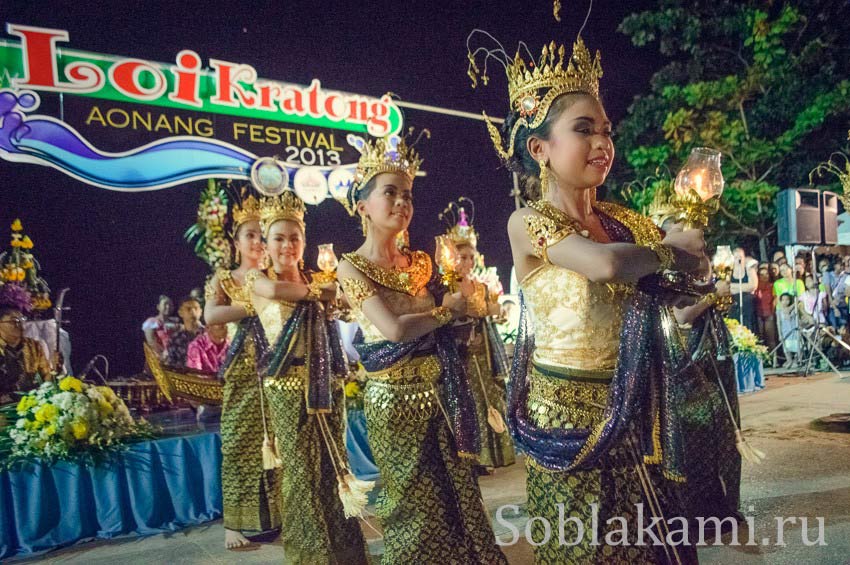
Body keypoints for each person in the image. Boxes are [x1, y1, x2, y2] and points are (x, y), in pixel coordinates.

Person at [468, 33, 705, 563]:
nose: (603, 143)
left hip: (641, 413)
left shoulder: (624, 220)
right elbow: (606, 265)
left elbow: (672, 295)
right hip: (565, 420)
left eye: (605, 131)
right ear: (539, 149)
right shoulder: (529, 222)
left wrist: (693, 290)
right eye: (584, 130)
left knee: (646, 542)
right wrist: (673, 251)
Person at [337, 134, 507, 563]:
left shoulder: (423, 263)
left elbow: (448, 322)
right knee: (410, 499)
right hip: (391, 400)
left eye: (407, 194)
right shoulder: (351, 265)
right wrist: (446, 313)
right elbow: (394, 329)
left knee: (456, 491)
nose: (401, 202)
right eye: (389, 193)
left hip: (440, 391)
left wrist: (469, 311)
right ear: (363, 206)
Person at [244, 191, 368, 564]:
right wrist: (321, 293)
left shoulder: (320, 278)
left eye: (294, 237)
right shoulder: (258, 278)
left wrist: (338, 300)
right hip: (286, 387)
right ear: (266, 243)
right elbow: (275, 291)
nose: (287, 245)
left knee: (335, 467)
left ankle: (345, 553)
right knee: (301, 474)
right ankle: (311, 557)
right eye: (279, 238)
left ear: (304, 241)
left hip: (327, 383)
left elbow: (346, 307)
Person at [203, 191, 282, 550]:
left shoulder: (276, 276)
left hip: (278, 367)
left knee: (280, 441)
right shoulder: (225, 278)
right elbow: (211, 317)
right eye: (249, 234)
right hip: (242, 371)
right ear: (236, 242)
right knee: (238, 443)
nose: (257, 241)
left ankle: (281, 515)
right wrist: (252, 307)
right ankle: (233, 523)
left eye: (261, 234)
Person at [440, 198, 516, 471]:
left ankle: (498, 455)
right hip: (462, 355)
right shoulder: (445, 288)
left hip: (483, 352)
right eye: (462, 256)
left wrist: (496, 310)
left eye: (471, 256)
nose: (468, 261)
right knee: (469, 402)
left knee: (492, 398)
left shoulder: (479, 285)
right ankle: (476, 459)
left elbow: (487, 308)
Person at [0, 285, 53, 403]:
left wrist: (55, 371)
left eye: (22, 320)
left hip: (29, 405)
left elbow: (47, 381)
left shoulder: (34, 346)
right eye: (14, 321)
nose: (21, 325)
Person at [164, 297, 204, 367]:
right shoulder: (175, 339)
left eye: (196, 308)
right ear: (180, 313)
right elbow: (172, 364)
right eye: (188, 309)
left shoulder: (208, 334)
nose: (193, 312)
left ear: (201, 312)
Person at [729, 247, 757, 331]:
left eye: (741, 257)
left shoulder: (749, 269)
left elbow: (753, 285)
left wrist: (734, 287)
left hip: (747, 304)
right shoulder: (729, 270)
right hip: (734, 304)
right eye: (736, 257)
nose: (739, 259)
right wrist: (745, 287)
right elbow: (727, 287)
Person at [753, 263, 778, 349]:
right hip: (758, 315)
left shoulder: (772, 286)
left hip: (769, 314)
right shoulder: (755, 287)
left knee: (771, 339)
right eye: (762, 274)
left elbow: (775, 298)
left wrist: (773, 311)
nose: (764, 276)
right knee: (760, 339)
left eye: (766, 274)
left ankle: (774, 360)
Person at [776, 293, 800, 366]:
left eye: (787, 299)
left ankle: (796, 361)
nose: (785, 301)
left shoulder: (794, 309)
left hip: (794, 331)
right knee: (786, 348)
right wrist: (780, 334)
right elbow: (778, 323)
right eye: (783, 300)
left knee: (797, 347)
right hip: (785, 332)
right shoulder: (779, 311)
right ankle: (789, 361)